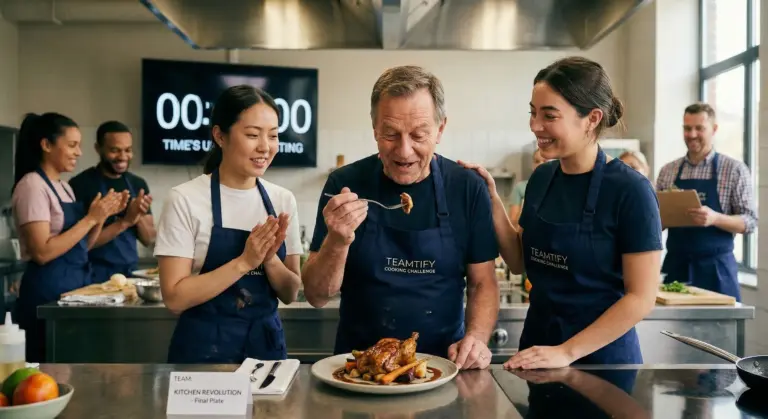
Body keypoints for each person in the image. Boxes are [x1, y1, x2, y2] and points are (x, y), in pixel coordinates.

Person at [461, 56, 663, 369]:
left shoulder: (631, 191)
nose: (535, 125)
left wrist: (567, 352)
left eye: (549, 115)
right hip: (538, 351)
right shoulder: (542, 179)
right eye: (532, 112)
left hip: (601, 361)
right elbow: (519, 262)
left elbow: (641, 297)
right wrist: (491, 199)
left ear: (592, 118)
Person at [302, 65, 500, 370]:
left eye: (419, 135)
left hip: (443, 369)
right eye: (390, 134)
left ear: (440, 129)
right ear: (374, 130)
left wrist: (476, 338)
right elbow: (316, 295)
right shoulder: (344, 185)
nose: (404, 151)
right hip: (358, 371)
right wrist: (337, 242)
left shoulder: (467, 187)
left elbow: (483, 283)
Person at [154, 85, 302, 363]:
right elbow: (174, 297)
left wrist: (269, 259)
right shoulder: (185, 199)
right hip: (204, 352)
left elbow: (291, 292)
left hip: (266, 351)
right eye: (252, 135)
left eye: (273, 136)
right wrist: (245, 262)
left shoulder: (282, 200)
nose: (265, 147)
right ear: (220, 135)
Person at [11, 112, 126, 361]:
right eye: (72, 145)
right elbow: (42, 252)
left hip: (73, 290)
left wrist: (102, 216)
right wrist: (90, 219)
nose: (79, 152)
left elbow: (82, 246)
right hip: (46, 294)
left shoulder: (64, 187)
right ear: (46, 145)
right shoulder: (32, 186)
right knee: (48, 372)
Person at [656, 103, 757, 301]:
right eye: (687, 128)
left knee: (719, 331)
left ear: (714, 129)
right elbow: (653, 220)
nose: (692, 134)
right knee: (668, 330)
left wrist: (715, 218)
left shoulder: (734, 170)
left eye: (699, 128)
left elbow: (750, 222)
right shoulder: (668, 171)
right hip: (676, 267)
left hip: (717, 270)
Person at [69, 121, 155, 284]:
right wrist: (125, 222)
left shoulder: (138, 184)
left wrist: (138, 216)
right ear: (98, 148)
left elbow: (149, 239)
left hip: (130, 274)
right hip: (93, 275)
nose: (122, 157)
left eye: (127, 150)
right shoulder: (80, 185)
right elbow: (82, 244)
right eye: (114, 150)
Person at [510, 149, 549, 227]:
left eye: (545, 161)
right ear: (532, 165)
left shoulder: (560, 187)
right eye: (536, 161)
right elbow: (513, 222)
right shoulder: (520, 188)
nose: (540, 164)